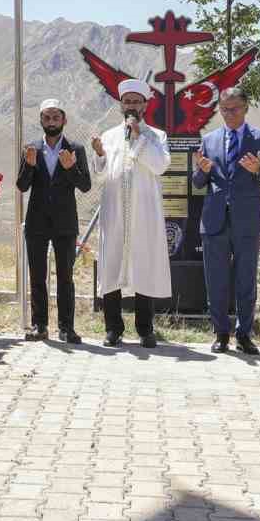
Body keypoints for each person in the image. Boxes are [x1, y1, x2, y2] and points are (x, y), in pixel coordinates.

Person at [192, 88, 260, 354]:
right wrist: (202, 171)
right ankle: (220, 333)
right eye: (224, 109)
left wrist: (259, 170)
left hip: (246, 220)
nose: (229, 114)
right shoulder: (209, 140)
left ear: (245, 108)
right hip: (215, 219)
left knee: (246, 279)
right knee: (215, 279)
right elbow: (197, 183)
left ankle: (244, 334)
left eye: (234, 109)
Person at [91, 78, 172, 347]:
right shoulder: (109, 136)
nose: (132, 105)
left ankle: (145, 329)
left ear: (145, 105)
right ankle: (113, 328)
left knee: (143, 266)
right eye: (127, 101)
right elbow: (101, 176)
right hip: (115, 212)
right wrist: (100, 156)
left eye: (137, 101)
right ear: (120, 105)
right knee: (112, 265)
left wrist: (139, 137)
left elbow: (160, 166)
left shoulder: (157, 136)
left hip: (144, 213)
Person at [18, 98, 91, 341]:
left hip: (64, 223)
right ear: (41, 120)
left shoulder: (76, 149)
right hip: (37, 222)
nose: (51, 122)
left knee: (65, 277)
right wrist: (28, 166)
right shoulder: (31, 148)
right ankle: (40, 326)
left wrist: (70, 168)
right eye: (47, 118)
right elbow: (22, 185)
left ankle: (66, 328)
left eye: (55, 117)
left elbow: (85, 186)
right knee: (37, 276)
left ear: (64, 120)